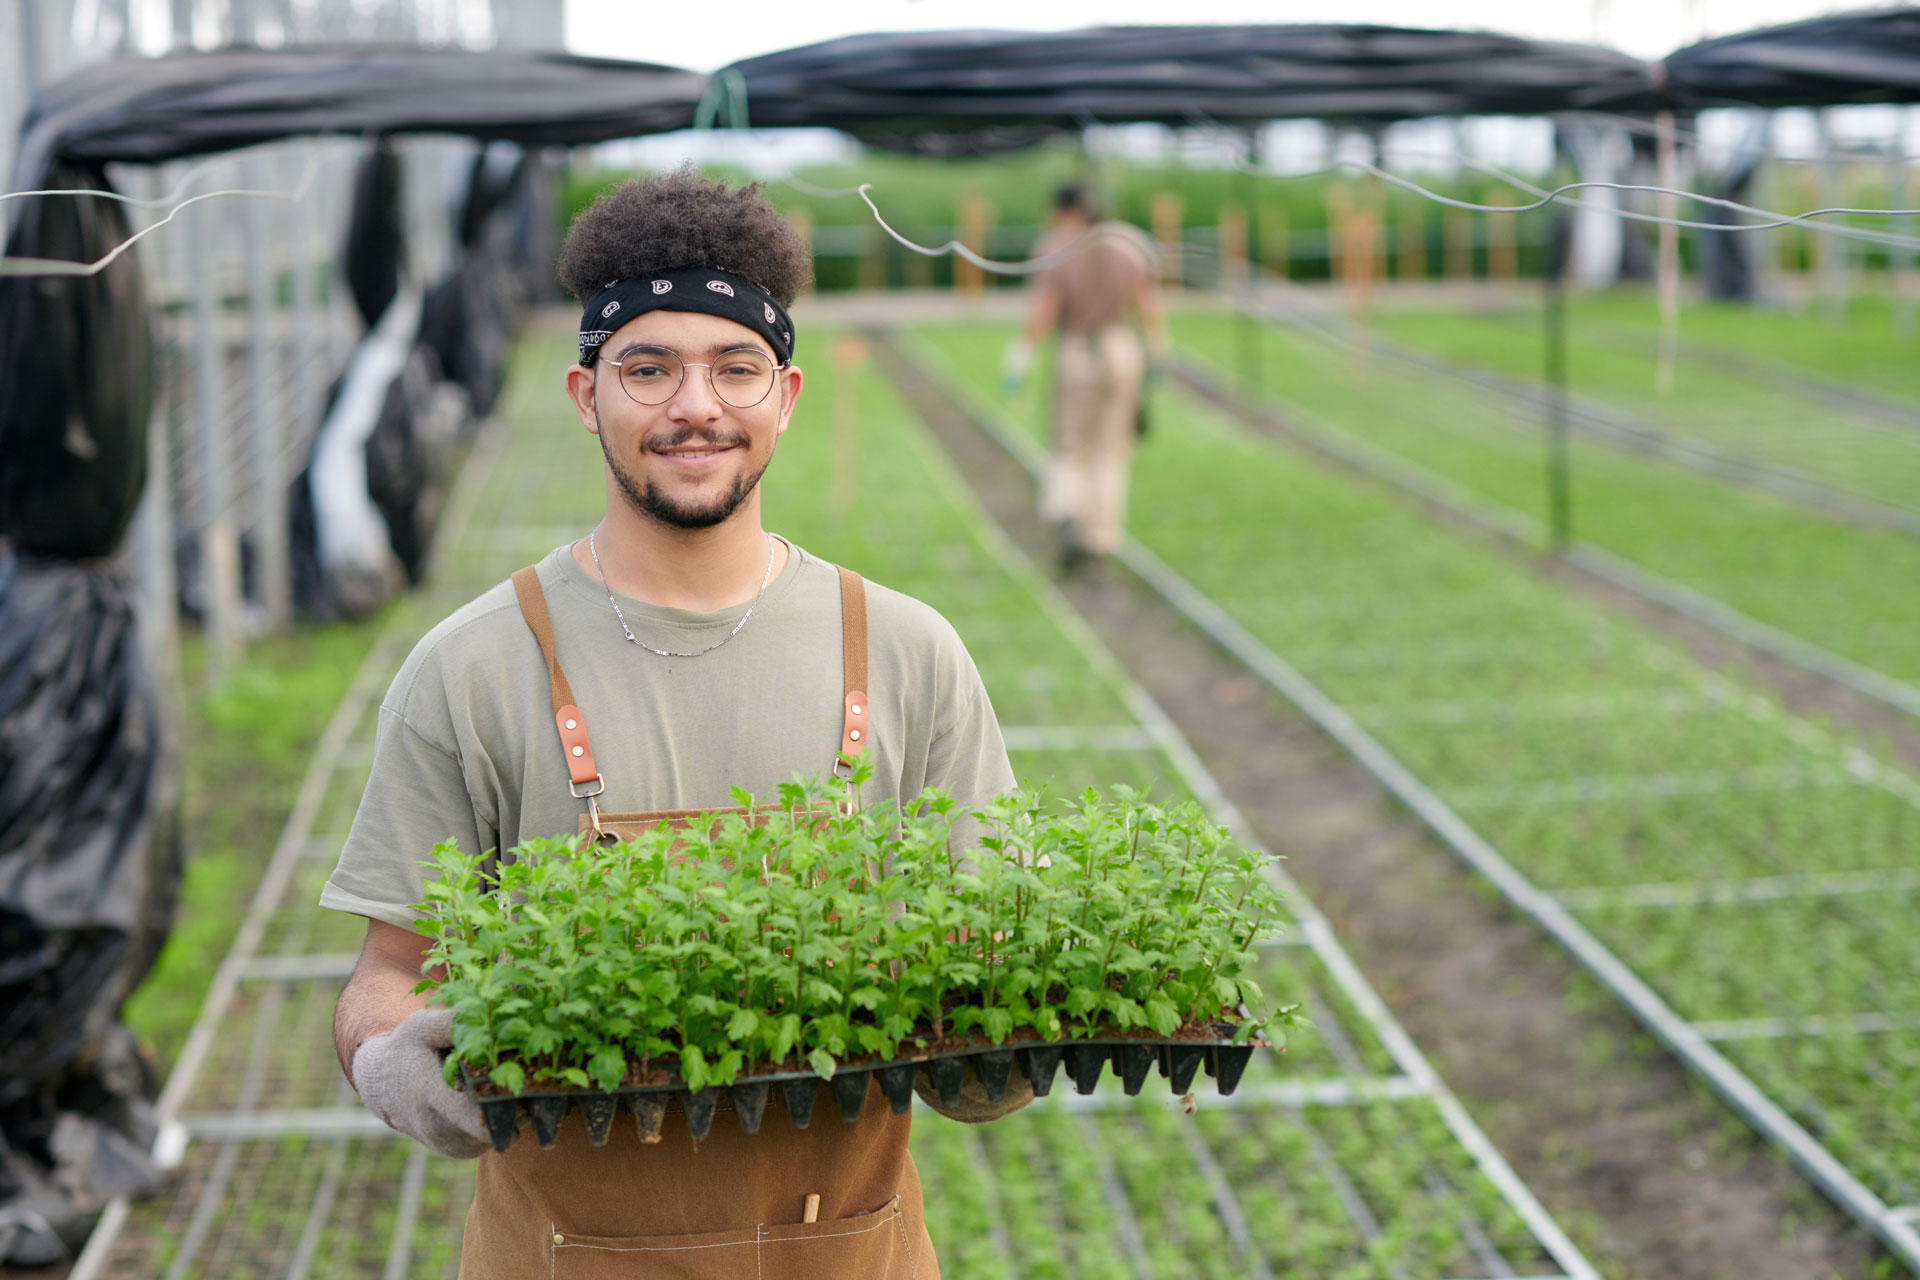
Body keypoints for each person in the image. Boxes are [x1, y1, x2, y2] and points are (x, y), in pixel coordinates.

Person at [322, 169, 1025, 1279]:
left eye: (734, 367)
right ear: (585, 392)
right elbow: (387, 969)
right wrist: (390, 1057)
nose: (695, 405)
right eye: (647, 367)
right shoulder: (470, 664)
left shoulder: (903, 650)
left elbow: (998, 943)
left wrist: (1004, 1039)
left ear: (784, 393)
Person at [1003, 183, 1165, 571]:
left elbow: (1047, 308)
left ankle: (1066, 513)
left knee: (1070, 442)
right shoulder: (1127, 242)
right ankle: (1101, 537)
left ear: (1061, 209)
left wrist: (1021, 356)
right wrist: (1157, 351)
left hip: (1078, 350)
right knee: (1111, 448)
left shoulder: (1057, 245)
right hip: (1120, 348)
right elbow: (1145, 303)